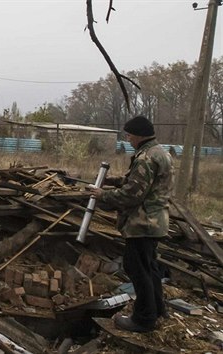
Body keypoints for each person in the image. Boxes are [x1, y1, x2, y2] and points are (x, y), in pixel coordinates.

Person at [89, 115, 174, 333]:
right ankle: (158, 309)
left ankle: (143, 319)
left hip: (143, 222)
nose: (127, 139)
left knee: (136, 268)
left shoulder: (145, 157)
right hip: (156, 222)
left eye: (128, 135)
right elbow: (141, 182)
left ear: (138, 135)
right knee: (150, 267)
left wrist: (103, 196)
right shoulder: (159, 152)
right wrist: (113, 181)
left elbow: (133, 194)